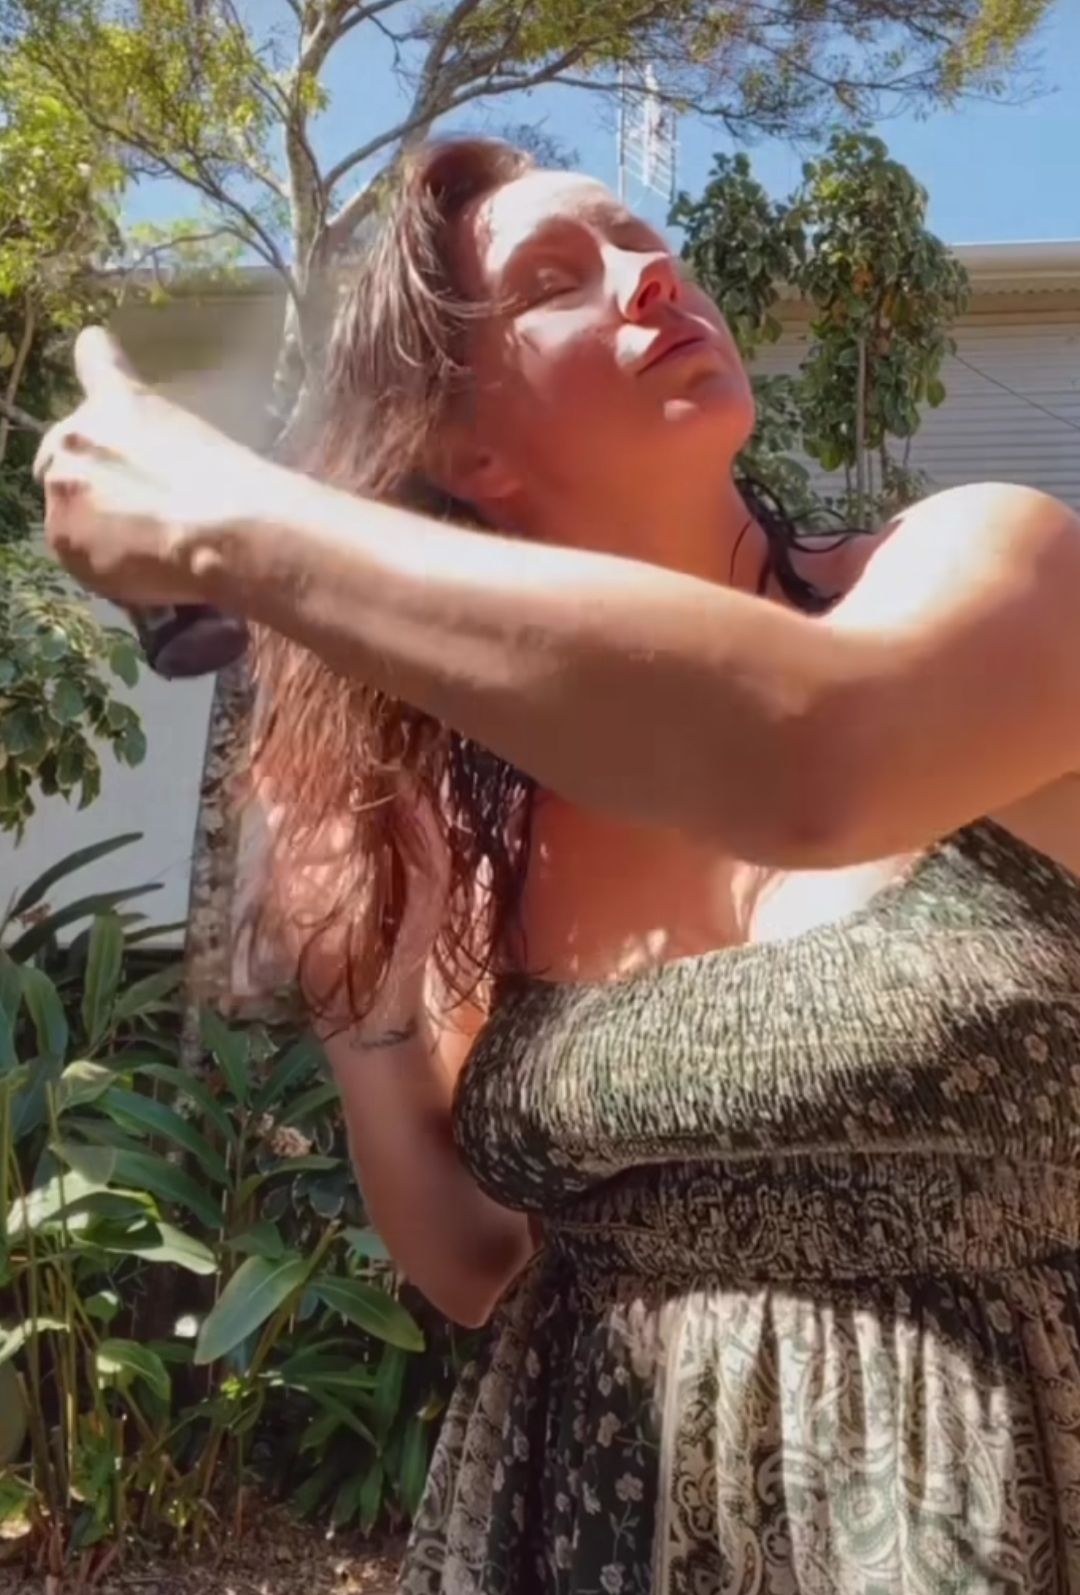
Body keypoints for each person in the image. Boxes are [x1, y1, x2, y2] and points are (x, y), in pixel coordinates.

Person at [38, 135, 1080, 1592]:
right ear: (465, 447)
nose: (648, 273)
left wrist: (228, 519)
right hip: (571, 1526)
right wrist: (365, 1004)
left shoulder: (984, 563)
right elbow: (478, 1259)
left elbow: (816, 756)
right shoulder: (481, 824)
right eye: (552, 279)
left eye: (639, 238)